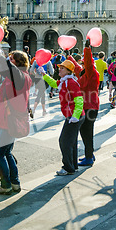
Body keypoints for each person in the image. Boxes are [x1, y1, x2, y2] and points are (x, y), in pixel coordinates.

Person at [0, 45, 32, 194]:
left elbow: (8, 68)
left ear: (19, 62)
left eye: (13, 59)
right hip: (11, 117)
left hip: (10, 118)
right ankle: (15, 183)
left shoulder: (20, 76)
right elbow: (2, 68)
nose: (10, 60)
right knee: (6, 153)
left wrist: (3, 56)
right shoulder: (20, 76)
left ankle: (5, 185)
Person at [41, 59, 85, 175]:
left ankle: (67, 168)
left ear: (69, 71)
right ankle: (73, 166)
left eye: (62, 68)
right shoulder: (65, 81)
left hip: (75, 116)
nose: (59, 69)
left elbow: (79, 100)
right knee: (71, 142)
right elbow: (54, 83)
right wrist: (44, 75)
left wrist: (75, 116)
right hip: (73, 115)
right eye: (60, 67)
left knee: (64, 141)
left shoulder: (71, 82)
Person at [67, 39, 99, 167]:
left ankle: (89, 157)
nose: (82, 65)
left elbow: (88, 63)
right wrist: (68, 54)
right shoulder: (84, 73)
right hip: (86, 106)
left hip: (90, 107)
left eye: (84, 63)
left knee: (87, 133)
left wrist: (87, 49)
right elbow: (76, 67)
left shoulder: (92, 73)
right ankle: (89, 154)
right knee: (84, 132)